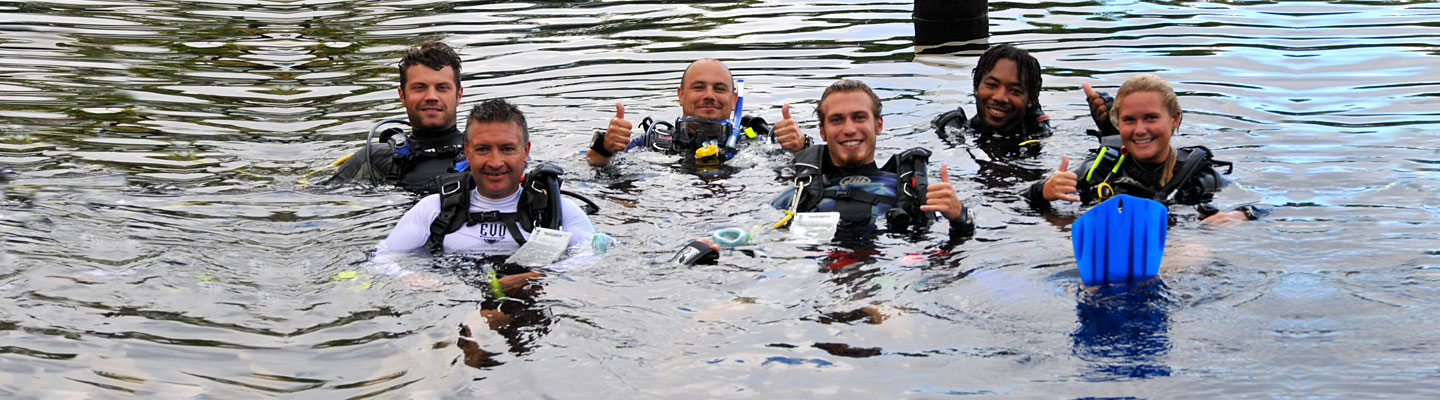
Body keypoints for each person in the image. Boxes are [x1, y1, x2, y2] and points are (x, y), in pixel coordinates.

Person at [376, 99, 599, 359]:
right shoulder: (434, 208)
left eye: (507, 149)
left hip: (533, 309)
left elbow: (596, 253)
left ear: (526, 151)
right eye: (483, 149)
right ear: (467, 152)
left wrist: (536, 277)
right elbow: (381, 258)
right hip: (450, 303)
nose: (495, 162)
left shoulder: (556, 210)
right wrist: (410, 277)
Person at [1023, 73, 1263, 223]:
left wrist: (1236, 215)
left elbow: (1260, 207)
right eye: (1129, 120)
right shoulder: (1100, 169)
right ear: (1118, 124)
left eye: (1151, 118)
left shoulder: (1199, 176)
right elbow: (1025, 198)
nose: (1139, 130)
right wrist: (1043, 190)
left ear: (1175, 119)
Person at [585, 58, 808, 167]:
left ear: (733, 100)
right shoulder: (651, 142)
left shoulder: (757, 142)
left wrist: (799, 148)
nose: (709, 95)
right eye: (699, 87)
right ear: (681, 95)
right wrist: (604, 148)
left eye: (719, 88)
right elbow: (585, 167)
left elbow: (807, 168)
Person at [324, 41, 467, 193]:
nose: (431, 97)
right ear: (402, 95)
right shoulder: (372, 160)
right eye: (420, 88)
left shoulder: (485, 156)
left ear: (458, 95)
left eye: (442, 88)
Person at [931, 44, 1052, 149]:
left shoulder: (1040, 137)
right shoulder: (952, 131)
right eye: (992, 85)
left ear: (1030, 99)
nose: (1000, 97)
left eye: (1014, 91)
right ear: (976, 87)